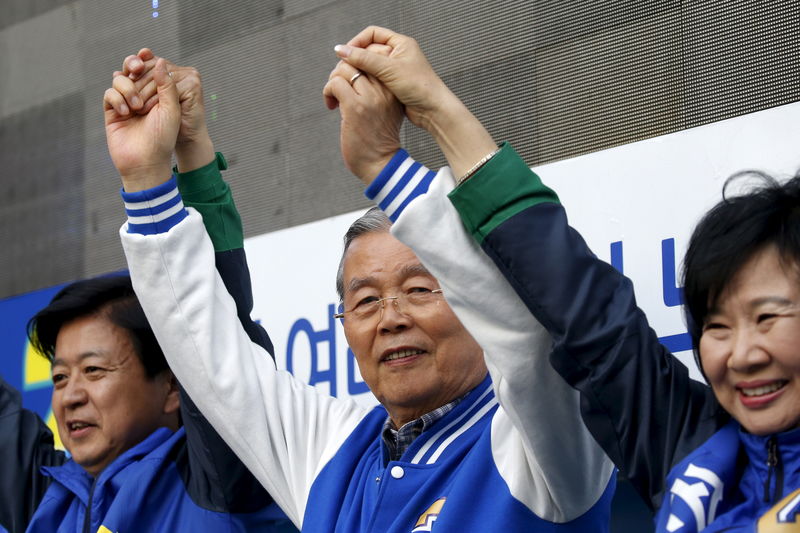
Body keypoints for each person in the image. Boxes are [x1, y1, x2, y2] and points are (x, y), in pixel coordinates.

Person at [108, 42, 616, 533]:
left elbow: (529, 335)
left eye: (419, 289)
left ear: (471, 298)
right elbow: (208, 352)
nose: (391, 317)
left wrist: (387, 162)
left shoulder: (542, 441)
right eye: (366, 301)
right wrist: (146, 177)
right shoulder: (335, 449)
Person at [331, 26, 800, 532]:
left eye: (768, 317)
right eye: (718, 328)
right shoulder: (691, 447)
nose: (743, 354)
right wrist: (426, 117)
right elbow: (580, 305)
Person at [0, 51, 293, 533]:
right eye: (58, 378)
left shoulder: (221, 478)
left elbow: (210, 324)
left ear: (174, 386)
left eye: (93, 370)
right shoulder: (48, 501)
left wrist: (188, 154)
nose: (70, 396)